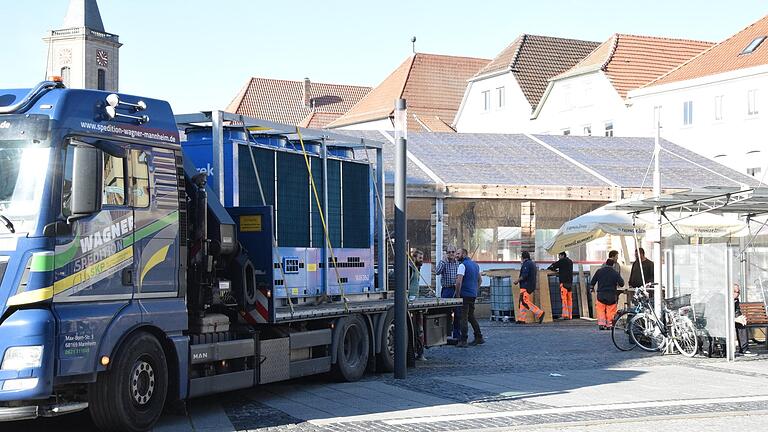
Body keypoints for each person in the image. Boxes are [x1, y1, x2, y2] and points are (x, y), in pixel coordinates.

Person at [454, 248, 484, 348]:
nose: (456, 255)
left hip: (464, 295)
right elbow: (480, 280)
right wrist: (475, 289)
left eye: (458, 254)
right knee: (471, 316)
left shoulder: (462, 265)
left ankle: (463, 340)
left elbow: (459, 281)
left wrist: (458, 294)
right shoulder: (475, 265)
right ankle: (479, 336)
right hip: (472, 295)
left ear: (464, 254)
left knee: (463, 317)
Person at [590, 258, 625, 330]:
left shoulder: (599, 271)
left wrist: (592, 288)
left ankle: (602, 324)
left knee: (600, 309)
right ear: (613, 265)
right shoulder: (615, 273)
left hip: (601, 294)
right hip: (611, 295)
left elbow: (593, 281)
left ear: (606, 263)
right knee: (611, 310)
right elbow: (622, 284)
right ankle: (610, 324)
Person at [436, 244, 461, 341]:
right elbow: (437, 272)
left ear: (455, 253)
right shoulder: (444, 263)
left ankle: (457, 334)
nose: (450, 254)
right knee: (446, 312)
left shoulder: (458, 264)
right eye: (448, 252)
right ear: (446, 253)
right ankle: (446, 335)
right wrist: (443, 260)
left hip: (456, 289)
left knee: (457, 313)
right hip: (446, 290)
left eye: (452, 252)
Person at [514, 251, 545, 324]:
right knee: (522, 302)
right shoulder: (532, 263)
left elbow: (524, 275)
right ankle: (521, 319)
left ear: (523, 257)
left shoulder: (526, 264)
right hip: (529, 285)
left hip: (526, 285)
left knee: (525, 301)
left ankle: (540, 313)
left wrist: (517, 281)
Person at [547, 251, 574, 320]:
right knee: (569, 300)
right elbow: (565, 269)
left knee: (564, 299)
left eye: (559, 256)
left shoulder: (562, 261)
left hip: (564, 283)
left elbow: (553, 266)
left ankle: (565, 315)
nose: (559, 258)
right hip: (570, 283)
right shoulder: (570, 261)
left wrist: (551, 268)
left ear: (562, 255)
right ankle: (570, 315)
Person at [734, 284, 756, 356]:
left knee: (741, 324)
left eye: (738, 292)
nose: (737, 294)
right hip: (721, 319)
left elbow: (737, 311)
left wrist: (741, 318)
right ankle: (727, 349)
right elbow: (722, 314)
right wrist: (735, 319)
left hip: (731, 319)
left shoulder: (736, 300)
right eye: (735, 291)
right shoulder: (723, 299)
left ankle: (744, 349)